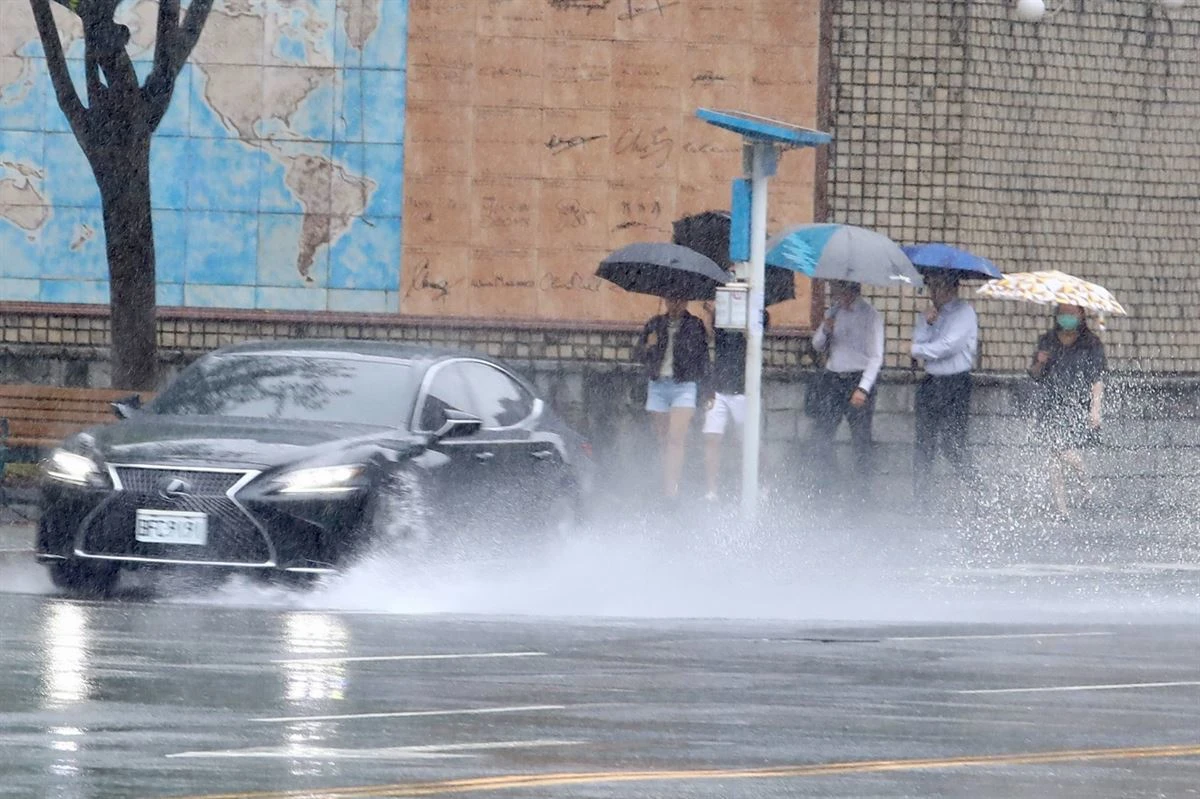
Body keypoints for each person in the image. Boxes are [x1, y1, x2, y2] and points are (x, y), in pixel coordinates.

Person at [1028, 303, 1107, 519]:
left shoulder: (1091, 344)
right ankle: (1062, 508)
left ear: (1081, 314)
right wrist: (1039, 363)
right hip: (1050, 405)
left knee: (1063, 451)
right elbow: (1035, 375)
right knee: (1054, 454)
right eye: (1063, 312)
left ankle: (1085, 482)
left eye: (1072, 313)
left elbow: (1097, 379)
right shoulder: (1048, 341)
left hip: (1077, 406)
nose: (1067, 317)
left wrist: (1095, 410)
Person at [910, 272, 980, 499]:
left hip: (955, 383)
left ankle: (980, 491)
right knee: (924, 442)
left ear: (951, 288)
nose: (933, 293)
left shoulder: (964, 312)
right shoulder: (928, 315)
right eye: (930, 286)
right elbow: (918, 340)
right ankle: (921, 498)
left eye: (937, 287)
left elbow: (948, 346)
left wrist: (919, 350)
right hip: (931, 382)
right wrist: (928, 325)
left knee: (953, 444)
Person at [809, 280, 884, 489]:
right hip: (833, 379)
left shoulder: (870, 315)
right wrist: (825, 328)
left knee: (861, 440)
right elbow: (816, 344)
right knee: (822, 436)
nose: (834, 295)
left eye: (837, 290)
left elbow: (876, 357)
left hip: (857, 380)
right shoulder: (834, 312)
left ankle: (861, 493)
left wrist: (863, 388)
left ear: (850, 289)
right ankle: (827, 486)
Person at [636, 296, 709, 499]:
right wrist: (649, 346)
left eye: (680, 300)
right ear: (666, 301)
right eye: (671, 300)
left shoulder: (694, 325)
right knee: (663, 441)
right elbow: (638, 355)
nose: (675, 304)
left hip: (683, 386)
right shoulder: (654, 324)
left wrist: (706, 391)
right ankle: (666, 480)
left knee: (676, 439)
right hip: (658, 386)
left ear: (686, 302)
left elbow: (703, 358)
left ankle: (672, 488)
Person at [700, 305, 769, 502]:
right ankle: (711, 490)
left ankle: (763, 483)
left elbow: (758, 337)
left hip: (744, 388)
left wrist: (746, 318)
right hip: (719, 387)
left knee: (751, 441)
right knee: (712, 437)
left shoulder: (758, 311)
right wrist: (710, 312)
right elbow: (709, 337)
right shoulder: (721, 312)